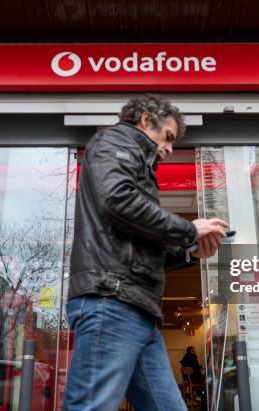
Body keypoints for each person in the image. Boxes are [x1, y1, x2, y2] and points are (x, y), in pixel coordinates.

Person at [63, 94, 229, 411]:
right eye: (167, 137)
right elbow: (117, 201)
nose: (168, 149)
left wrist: (191, 252)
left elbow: (138, 252)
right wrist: (189, 229)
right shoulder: (115, 141)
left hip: (135, 309)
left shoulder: (132, 159)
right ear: (145, 121)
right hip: (111, 303)